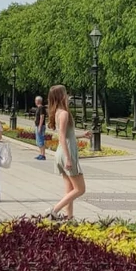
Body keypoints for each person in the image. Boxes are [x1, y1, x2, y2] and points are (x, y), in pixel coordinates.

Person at [47, 85, 90, 221]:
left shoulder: (59, 112)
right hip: (66, 154)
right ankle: (54, 210)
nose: (68, 95)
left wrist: (82, 135)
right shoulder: (64, 114)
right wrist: (68, 159)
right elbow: (61, 137)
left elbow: (67, 135)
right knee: (80, 189)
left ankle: (69, 218)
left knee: (69, 189)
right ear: (61, 96)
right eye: (66, 93)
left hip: (61, 152)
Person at [33, 94, 47, 160]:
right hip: (38, 125)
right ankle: (41, 153)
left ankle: (43, 155)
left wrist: (40, 126)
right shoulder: (39, 108)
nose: (35, 101)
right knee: (38, 140)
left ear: (38, 101)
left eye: (35, 100)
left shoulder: (41, 108)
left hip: (40, 126)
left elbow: (42, 117)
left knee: (40, 140)